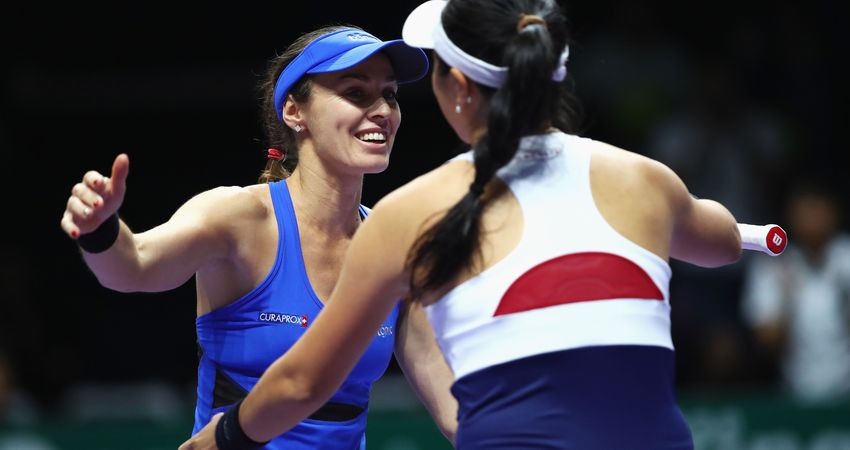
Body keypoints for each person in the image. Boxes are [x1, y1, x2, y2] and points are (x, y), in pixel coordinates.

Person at [180, 1, 744, 449]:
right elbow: (722, 244)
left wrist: (227, 437)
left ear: (459, 92)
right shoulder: (646, 181)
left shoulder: (412, 213)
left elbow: (303, 382)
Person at [60, 25, 457, 449]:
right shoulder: (240, 218)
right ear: (294, 111)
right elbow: (134, 267)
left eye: (390, 94)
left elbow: (451, 405)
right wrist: (101, 229)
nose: (382, 110)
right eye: (357, 93)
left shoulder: (395, 247)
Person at [741, 181, 850, 403]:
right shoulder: (774, 264)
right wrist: (787, 299)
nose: (813, 219)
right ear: (791, 216)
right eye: (806, 211)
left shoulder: (846, 256)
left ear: (834, 213)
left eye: (819, 209)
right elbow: (767, 341)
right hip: (792, 392)